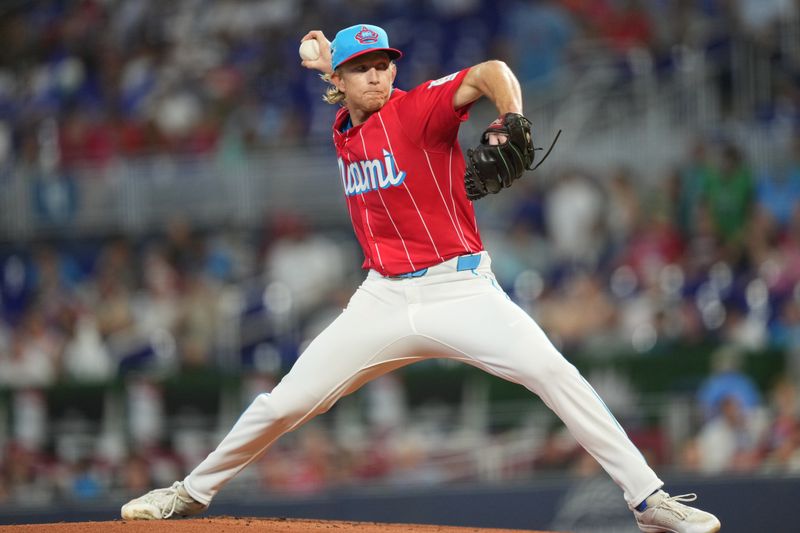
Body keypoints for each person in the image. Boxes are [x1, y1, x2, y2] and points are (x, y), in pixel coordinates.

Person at [120, 23, 721, 533]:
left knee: (552, 372)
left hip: (459, 289)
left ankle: (649, 500)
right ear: (341, 83)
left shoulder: (418, 108)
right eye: (363, 69)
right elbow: (344, 84)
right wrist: (328, 58)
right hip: (381, 297)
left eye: (384, 64)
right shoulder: (346, 122)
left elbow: (490, 70)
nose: (378, 76)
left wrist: (511, 114)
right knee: (284, 403)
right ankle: (191, 493)